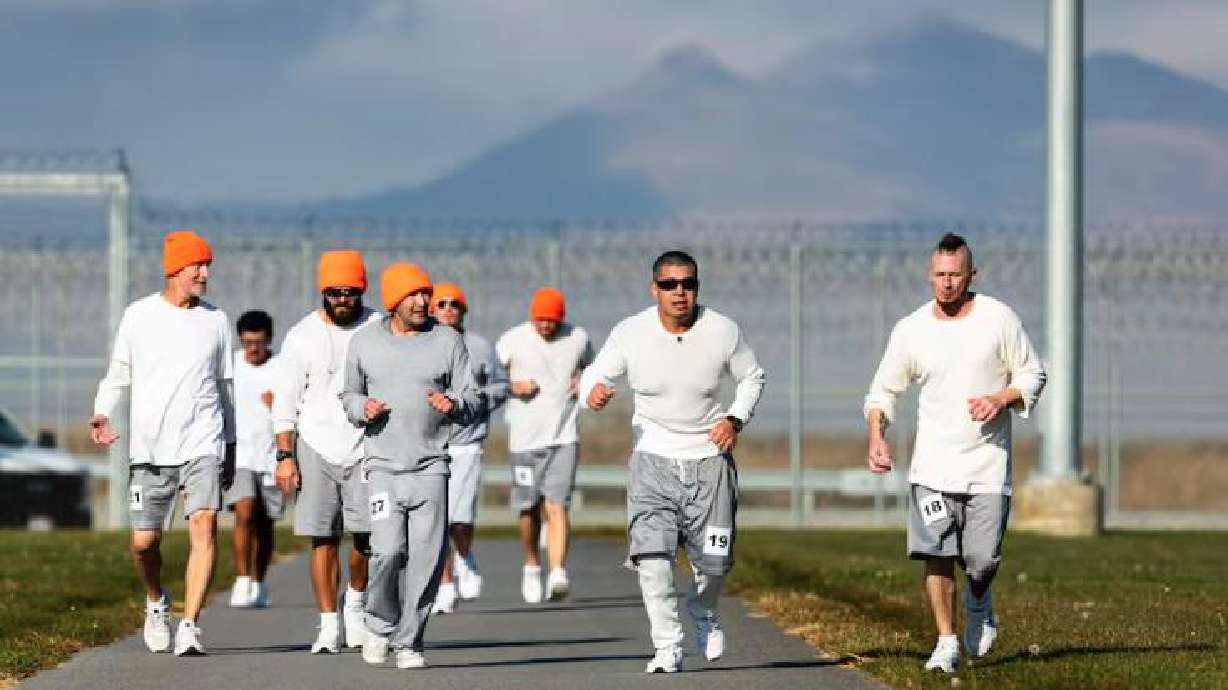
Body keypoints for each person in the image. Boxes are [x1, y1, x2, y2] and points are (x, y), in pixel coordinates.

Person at [863, 233, 1046, 674]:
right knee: (937, 552)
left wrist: (1001, 399)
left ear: (971, 276)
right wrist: (876, 436)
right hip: (932, 468)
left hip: (986, 466)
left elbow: (1033, 373)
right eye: (939, 275)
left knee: (982, 559)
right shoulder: (911, 329)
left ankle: (979, 598)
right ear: (931, 276)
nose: (946, 284)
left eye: (955, 275)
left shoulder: (998, 319)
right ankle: (946, 641)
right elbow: (883, 391)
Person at [580, 250, 765, 673]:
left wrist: (735, 419)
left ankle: (703, 611)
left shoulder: (722, 330)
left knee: (715, 563)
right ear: (655, 289)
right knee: (652, 557)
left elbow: (752, 376)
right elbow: (594, 376)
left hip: (709, 461)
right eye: (669, 284)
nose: (679, 292)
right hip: (652, 462)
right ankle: (667, 645)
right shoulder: (631, 332)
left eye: (688, 284)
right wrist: (592, 394)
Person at [91, 229, 235, 656]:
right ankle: (157, 601)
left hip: (203, 441)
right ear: (174, 269)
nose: (205, 273)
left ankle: (190, 624)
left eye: (207, 265)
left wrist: (230, 443)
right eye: (198, 266)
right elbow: (119, 373)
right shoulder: (139, 316)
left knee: (205, 524)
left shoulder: (216, 321)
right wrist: (102, 411)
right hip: (151, 448)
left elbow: (225, 389)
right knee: (143, 543)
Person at [341, 263, 482, 669]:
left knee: (426, 558)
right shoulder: (365, 343)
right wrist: (360, 407)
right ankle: (379, 622)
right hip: (383, 467)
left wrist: (454, 404)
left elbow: (470, 398)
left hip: (432, 467)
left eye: (426, 293)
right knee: (386, 552)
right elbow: (348, 395)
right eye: (413, 295)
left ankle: (410, 642)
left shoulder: (447, 342)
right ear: (392, 302)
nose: (423, 302)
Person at [272, 250, 381, 653]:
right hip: (315, 445)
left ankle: (355, 602)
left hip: (366, 445)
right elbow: (284, 403)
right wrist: (285, 457)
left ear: (361, 290)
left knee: (368, 536)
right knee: (323, 538)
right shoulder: (301, 336)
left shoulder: (377, 327)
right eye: (334, 292)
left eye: (350, 292)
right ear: (323, 292)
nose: (342, 299)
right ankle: (328, 624)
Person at [496, 287, 594, 603]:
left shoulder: (578, 338)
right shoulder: (512, 340)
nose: (545, 326)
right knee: (528, 508)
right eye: (540, 320)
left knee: (557, 504)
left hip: (563, 437)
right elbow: (488, 379)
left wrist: (585, 381)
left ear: (561, 318)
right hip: (523, 441)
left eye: (551, 321)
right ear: (531, 317)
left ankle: (557, 572)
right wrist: (513, 386)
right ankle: (531, 565)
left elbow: (595, 367)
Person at [429, 283, 509, 614]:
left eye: (455, 305)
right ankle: (445, 584)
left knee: (459, 518)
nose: (448, 309)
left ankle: (465, 555)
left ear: (463, 311)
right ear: (431, 309)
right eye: (442, 304)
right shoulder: (423, 346)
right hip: (431, 445)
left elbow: (501, 386)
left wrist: (477, 402)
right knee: (437, 519)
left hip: (467, 444)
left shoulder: (480, 347)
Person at [226, 310, 284, 609]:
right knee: (244, 511)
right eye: (248, 342)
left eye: (259, 342)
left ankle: (259, 582)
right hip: (241, 454)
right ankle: (242, 579)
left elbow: (295, 410)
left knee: (265, 523)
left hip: (273, 456)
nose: (253, 349)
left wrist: (279, 405)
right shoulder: (232, 365)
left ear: (269, 340)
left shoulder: (281, 368)